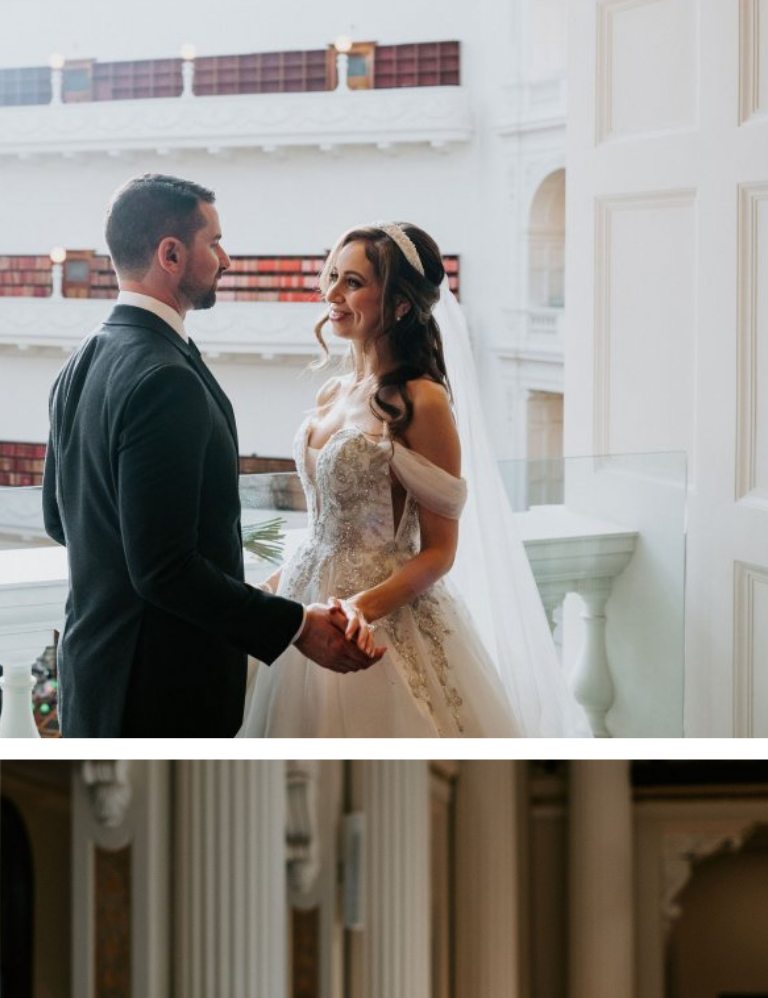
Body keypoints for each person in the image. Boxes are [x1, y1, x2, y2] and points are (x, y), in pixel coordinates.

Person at [42, 173, 375, 737]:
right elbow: (165, 568)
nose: (226, 258)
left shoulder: (83, 361)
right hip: (160, 689)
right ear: (171, 254)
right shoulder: (164, 379)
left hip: (92, 674)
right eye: (214, 242)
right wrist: (295, 625)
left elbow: (59, 519)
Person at [241, 221, 585, 737]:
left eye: (353, 283)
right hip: (305, 604)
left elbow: (439, 551)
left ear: (400, 304)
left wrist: (356, 610)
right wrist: (266, 594)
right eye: (332, 276)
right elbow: (324, 533)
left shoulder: (422, 402)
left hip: (379, 620)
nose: (332, 294)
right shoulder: (331, 394)